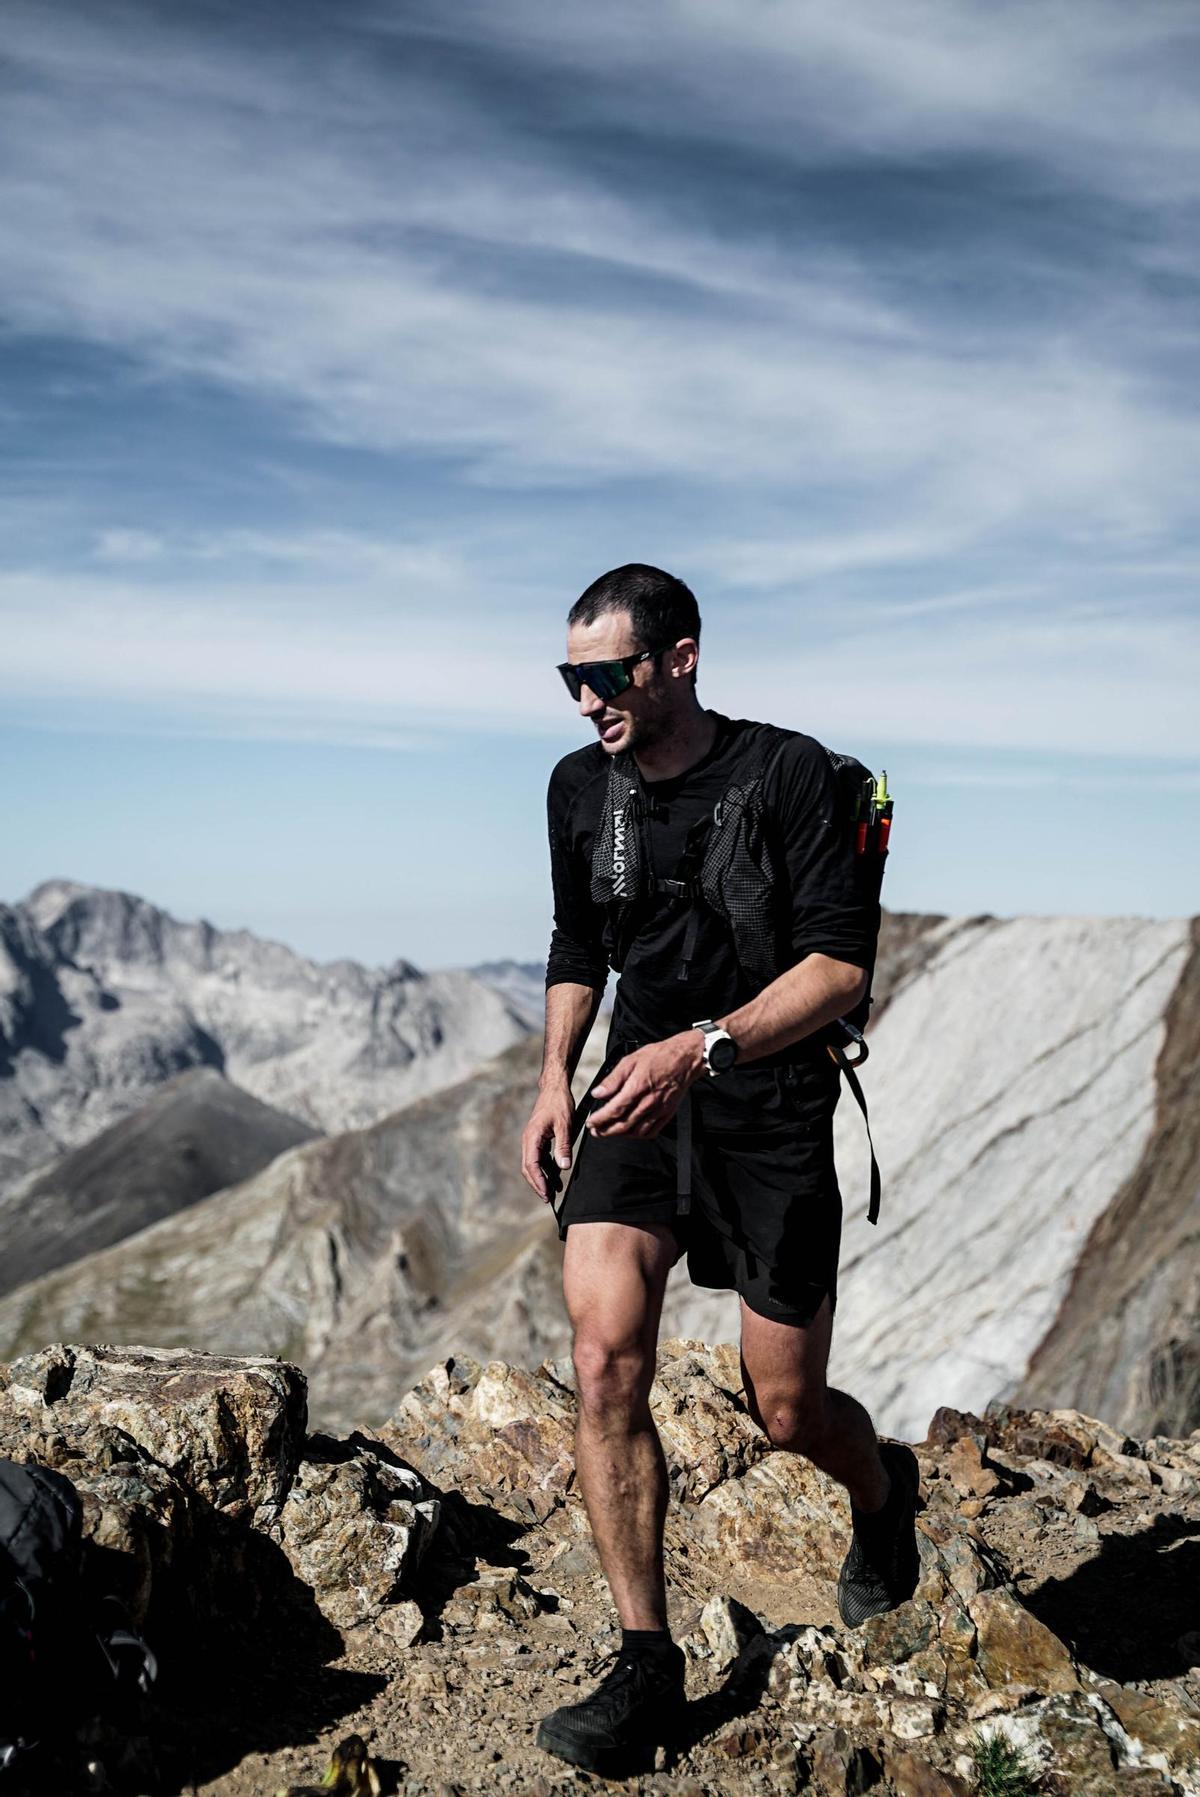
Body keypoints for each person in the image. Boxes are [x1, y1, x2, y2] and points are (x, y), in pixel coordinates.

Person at [520, 564, 919, 1776]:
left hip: (766, 1102)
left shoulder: (795, 776)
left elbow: (841, 972)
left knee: (786, 1411)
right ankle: (648, 1662)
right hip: (636, 1095)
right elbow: (579, 938)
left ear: (679, 658)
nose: (587, 700)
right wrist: (553, 1076)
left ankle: (885, 1490)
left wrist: (708, 1048)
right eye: (569, 678)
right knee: (603, 1359)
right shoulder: (583, 788)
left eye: (608, 674)